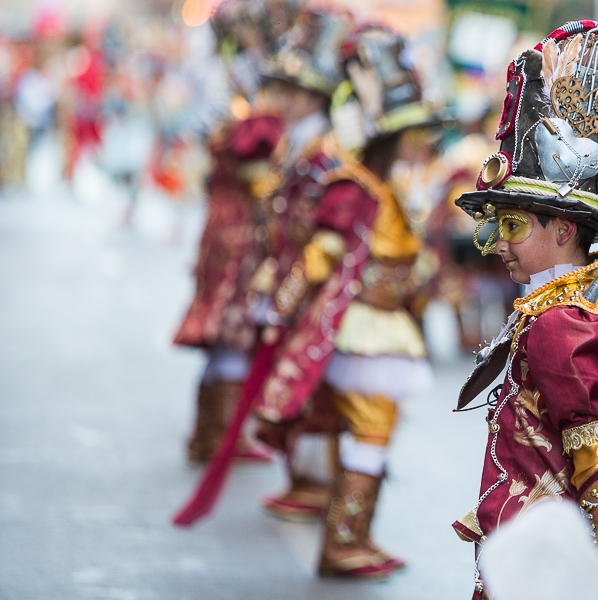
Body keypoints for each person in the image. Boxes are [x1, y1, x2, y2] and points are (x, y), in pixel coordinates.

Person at [449, 21, 598, 600]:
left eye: (514, 225)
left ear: (565, 228)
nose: (499, 242)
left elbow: (597, 451)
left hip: (562, 564)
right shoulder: (564, 308)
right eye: (494, 227)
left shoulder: (558, 324)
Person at [247, 16, 438, 578]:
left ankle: (351, 534)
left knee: (363, 432)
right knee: (372, 433)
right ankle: (343, 540)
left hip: (380, 328)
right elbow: (319, 255)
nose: (416, 142)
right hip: (362, 332)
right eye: (408, 132)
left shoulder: (381, 186)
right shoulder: (353, 187)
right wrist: (278, 308)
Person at [173, 0, 296, 464]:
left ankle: (209, 431)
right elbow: (259, 174)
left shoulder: (228, 86)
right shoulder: (248, 102)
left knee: (227, 328)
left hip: (222, 226)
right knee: (234, 327)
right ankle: (220, 433)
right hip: (240, 230)